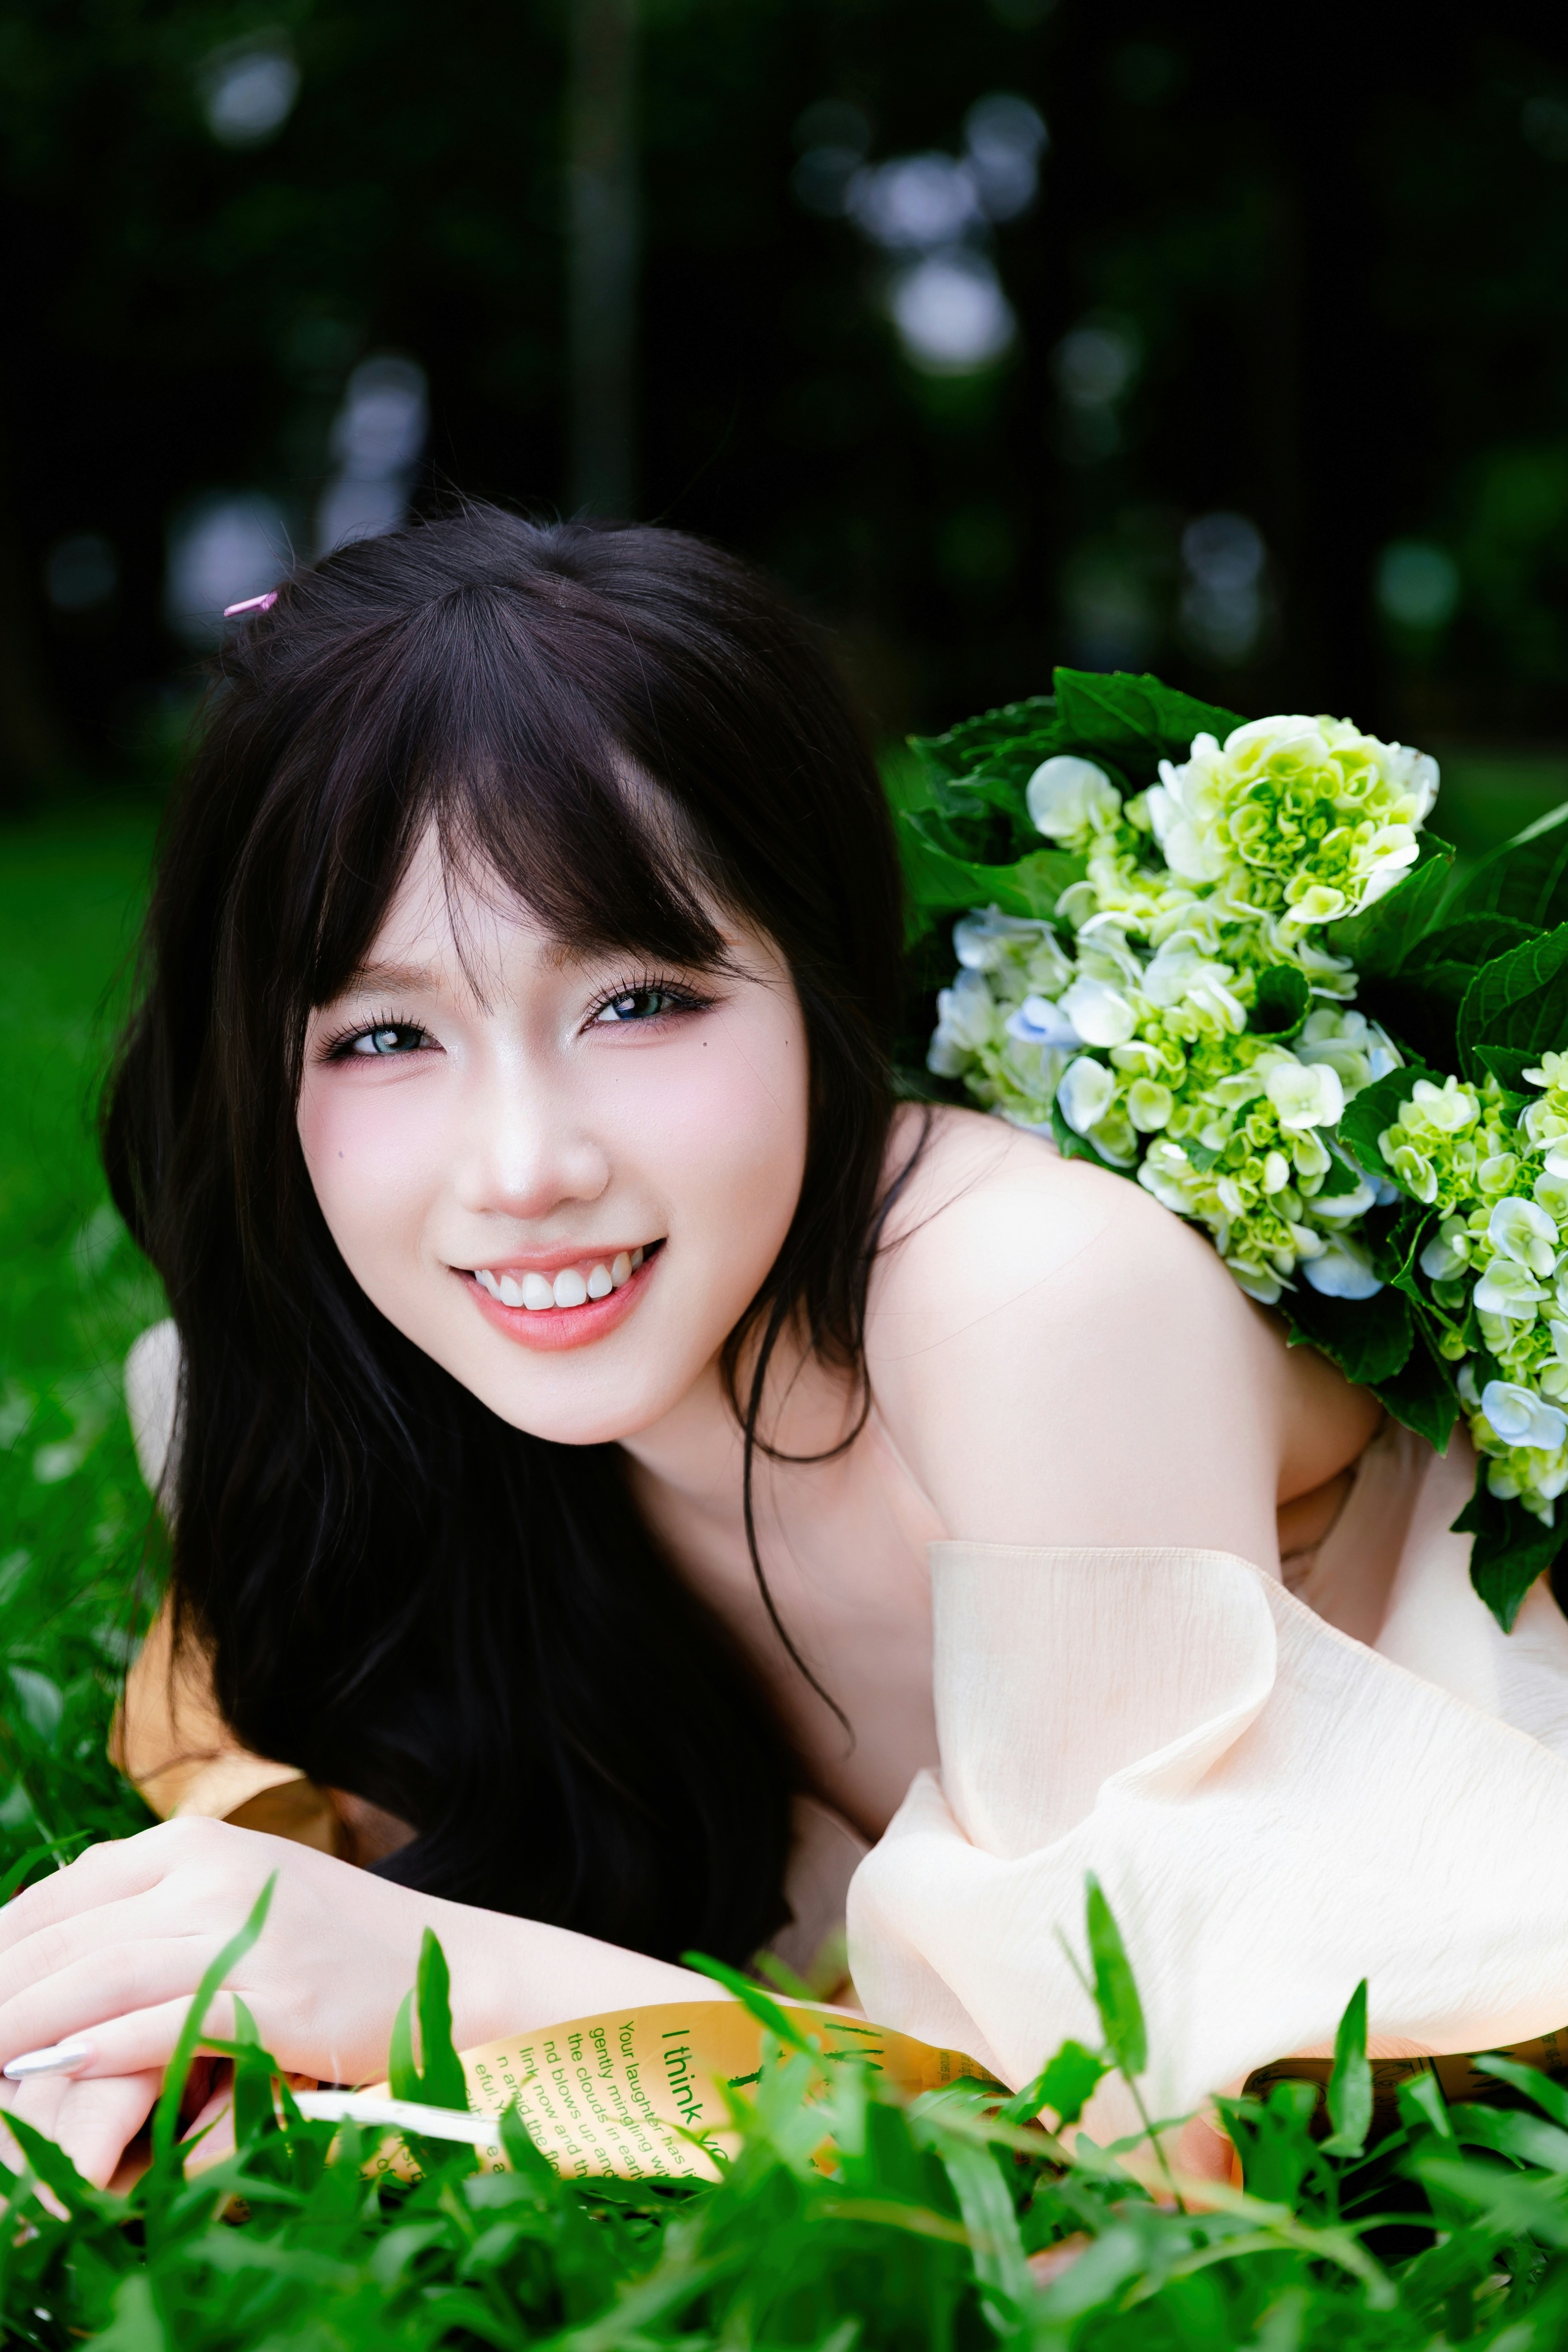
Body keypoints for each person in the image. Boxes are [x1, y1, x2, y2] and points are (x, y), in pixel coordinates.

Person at [5, 505, 1568, 2192]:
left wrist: (442, 1983)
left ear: (819, 984)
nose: (524, 1168)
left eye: (637, 1002)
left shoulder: (1028, 1301)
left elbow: (1137, 2143)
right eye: (383, 1036)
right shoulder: (294, 1411)